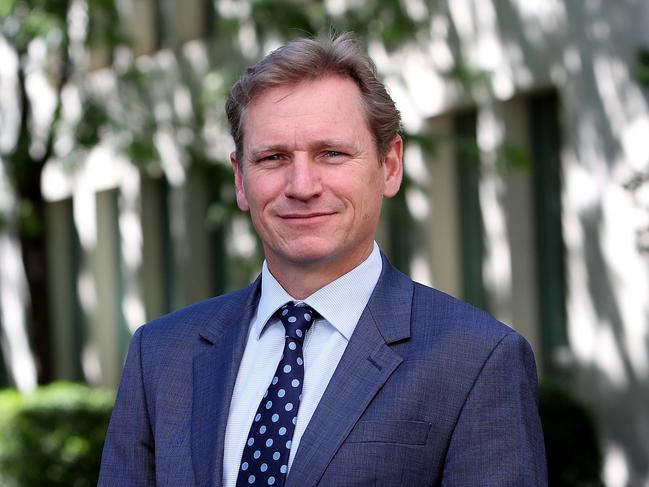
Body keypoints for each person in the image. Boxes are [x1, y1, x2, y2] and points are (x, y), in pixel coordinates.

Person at [99, 33, 547, 486]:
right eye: (273, 158)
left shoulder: (476, 360)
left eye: (331, 154)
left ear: (389, 166)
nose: (302, 185)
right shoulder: (159, 355)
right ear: (240, 179)